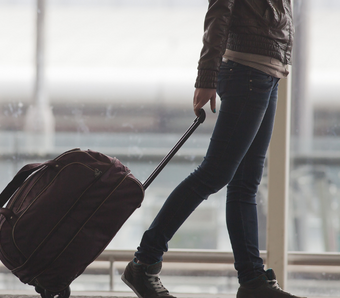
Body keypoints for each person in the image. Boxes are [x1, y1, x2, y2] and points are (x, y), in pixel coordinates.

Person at [121, 1, 304, 298]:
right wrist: (206, 76)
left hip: (267, 72)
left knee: (245, 184)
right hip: (246, 69)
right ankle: (144, 262)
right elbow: (219, 11)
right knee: (214, 173)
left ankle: (253, 280)